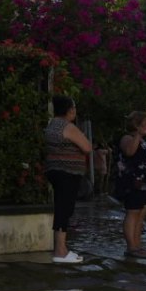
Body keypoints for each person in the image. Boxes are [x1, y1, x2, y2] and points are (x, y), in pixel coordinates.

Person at [44, 96, 92, 263]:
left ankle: (62, 249)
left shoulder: (52, 125)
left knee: (62, 208)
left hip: (55, 170)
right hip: (67, 172)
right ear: (69, 110)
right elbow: (87, 147)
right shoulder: (67, 126)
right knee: (64, 210)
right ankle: (60, 251)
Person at [113, 111, 146, 258]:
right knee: (133, 212)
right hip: (134, 183)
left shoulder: (144, 140)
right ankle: (131, 247)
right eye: (145, 123)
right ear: (136, 124)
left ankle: (137, 244)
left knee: (140, 215)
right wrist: (138, 135)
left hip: (145, 184)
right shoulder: (127, 138)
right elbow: (130, 151)